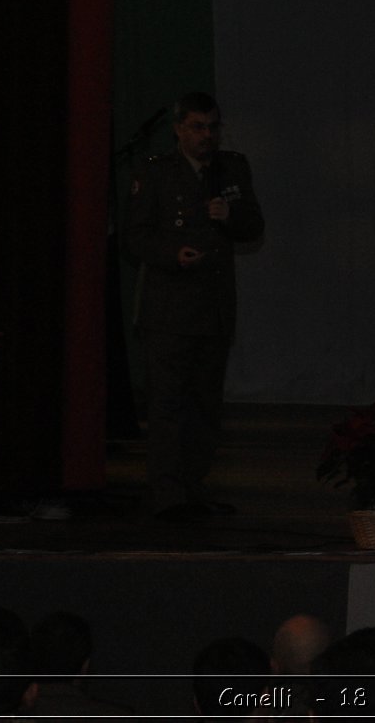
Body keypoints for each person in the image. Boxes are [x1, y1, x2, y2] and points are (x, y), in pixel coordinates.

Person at [124, 91, 264, 521]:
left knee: (205, 407)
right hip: (168, 310)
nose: (208, 135)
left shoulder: (232, 168)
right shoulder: (158, 173)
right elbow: (135, 237)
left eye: (213, 126)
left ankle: (195, 488)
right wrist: (173, 254)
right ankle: (168, 496)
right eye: (198, 127)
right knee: (166, 405)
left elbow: (254, 227)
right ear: (180, 130)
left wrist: (230, 216)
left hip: (214, 309)